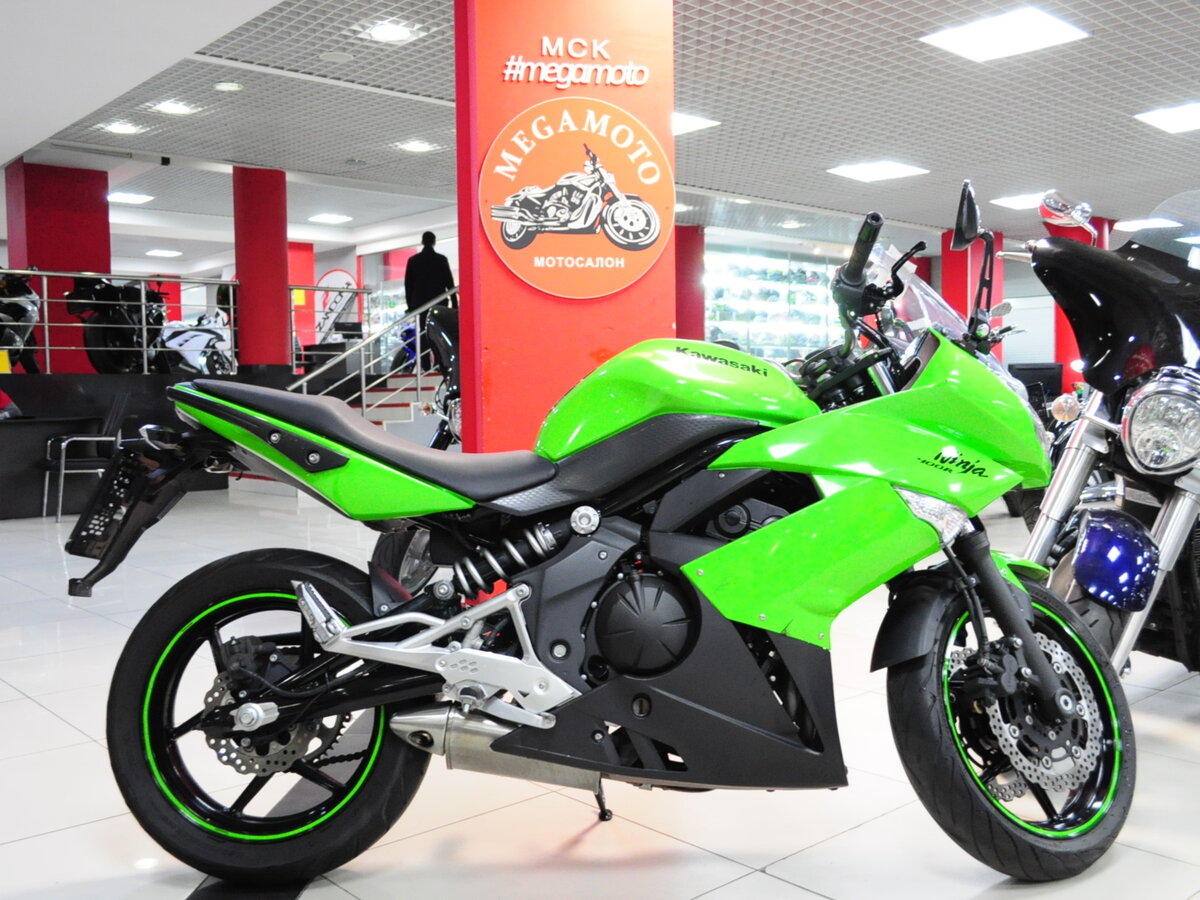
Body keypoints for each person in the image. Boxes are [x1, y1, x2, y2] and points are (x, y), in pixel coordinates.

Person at [404, 232, 456, 315]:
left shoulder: (413, 260)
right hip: (439, 301)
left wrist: (410, 305)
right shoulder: (441, 259)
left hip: (420, 303)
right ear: (434, 242)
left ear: (422, 242)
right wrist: (454, 303)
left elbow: (408, 285)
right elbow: (449, 282)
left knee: (422, 322)